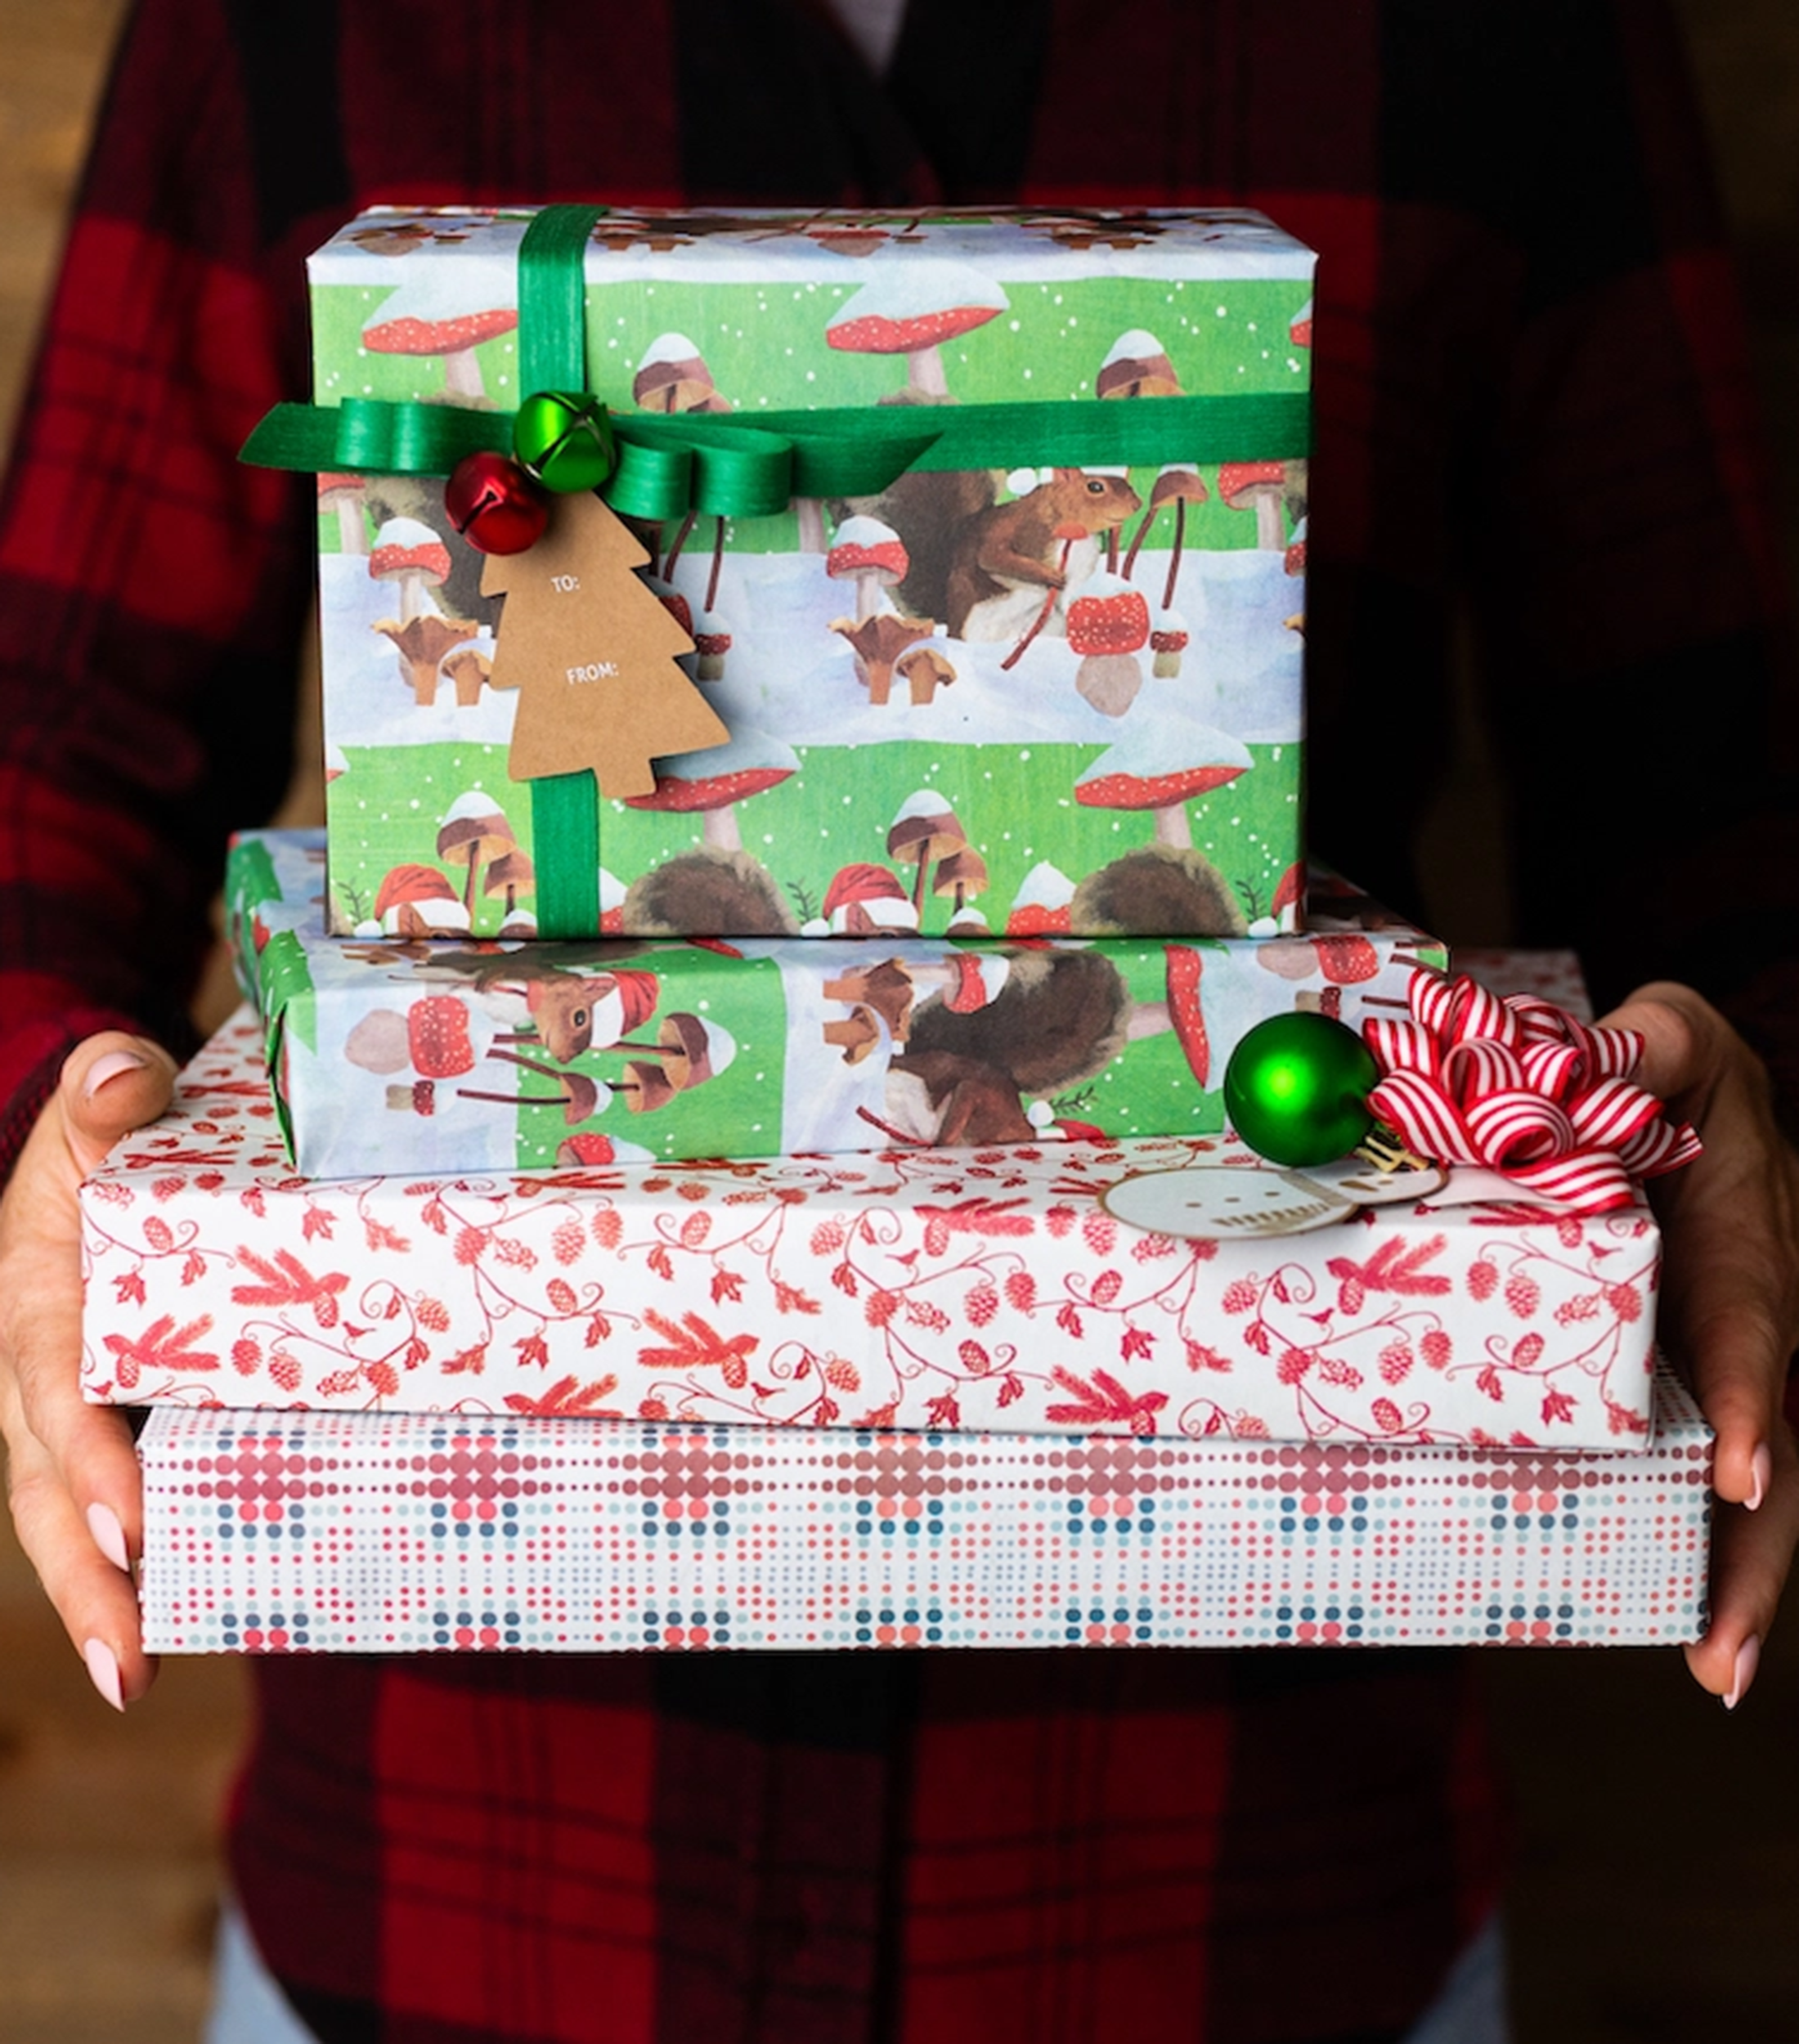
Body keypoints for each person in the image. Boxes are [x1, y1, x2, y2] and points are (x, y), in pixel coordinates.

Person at [2, 3, 1797, 2039]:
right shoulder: (281, 32)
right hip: (461, 1900)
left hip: (1246, 1889)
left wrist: (1735, 1110)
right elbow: (56, 733)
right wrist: (40, 1141)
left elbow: (1709, 792)